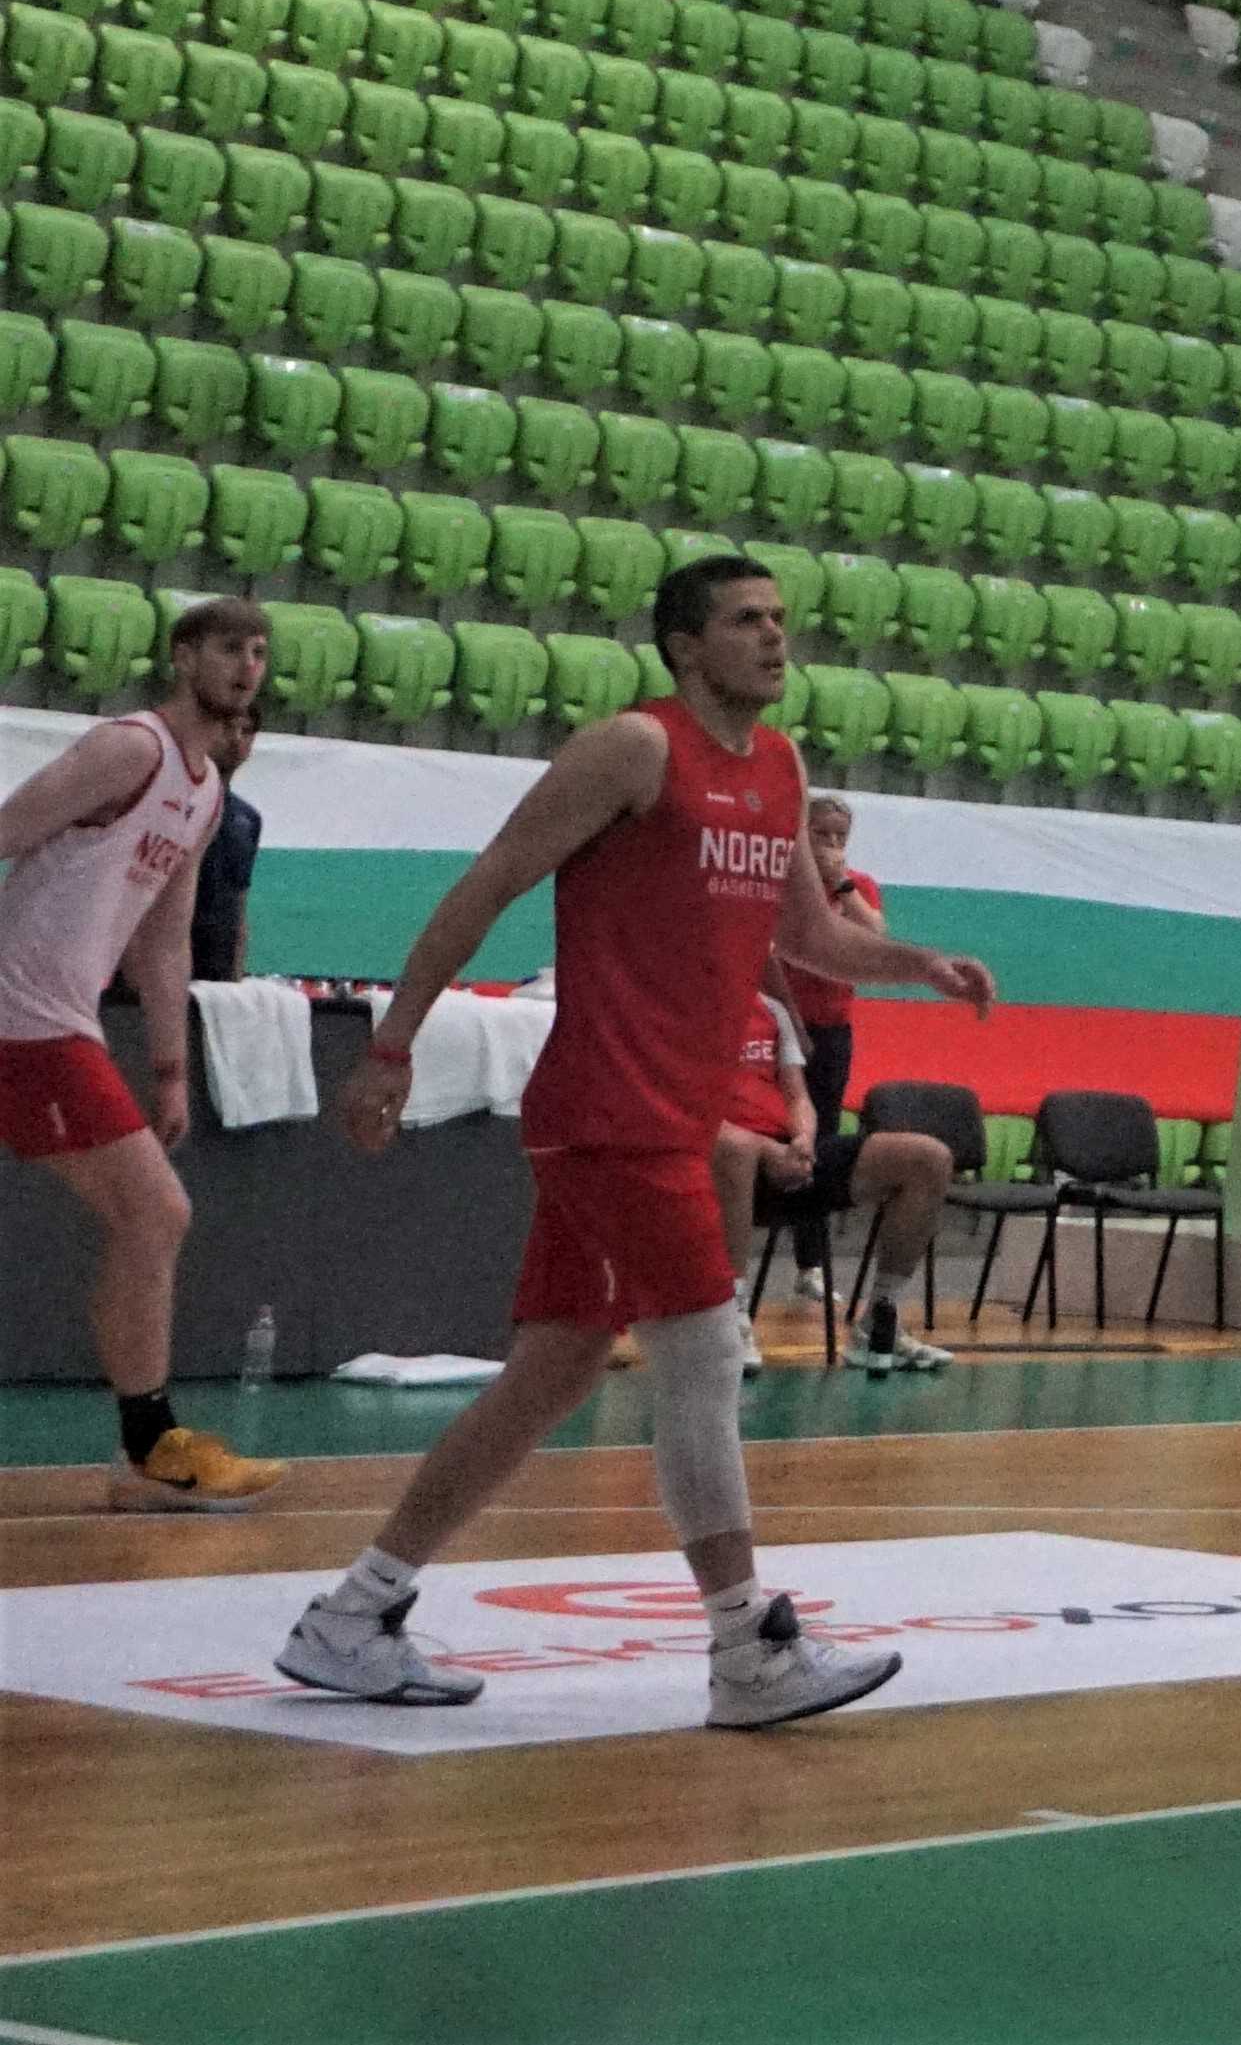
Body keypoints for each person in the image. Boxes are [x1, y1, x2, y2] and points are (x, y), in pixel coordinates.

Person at [276, 558, 994, 1727]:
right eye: (746, 621)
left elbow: (808, 934)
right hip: (613, 1109)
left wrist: (916, 961)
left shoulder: (780, 768)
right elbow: (489, 884)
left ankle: (353, 1612)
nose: (774, 638)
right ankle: (747, 1648)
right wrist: (394, 1045)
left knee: (551, 1370)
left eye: (780, 620)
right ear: (683, 644)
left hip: (658, 1112)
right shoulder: (633, 750)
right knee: (707, 1350)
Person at [0, 597, 288, 1512]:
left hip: (59, 1020)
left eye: (260, 652)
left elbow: (164, 938)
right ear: (183, 656)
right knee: (155, 1212)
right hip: (19, 1017)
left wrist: (169, 1067)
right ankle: (152, 1447)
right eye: (230, 648)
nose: (248, 666)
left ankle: (151, 1443)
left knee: (151, 1214)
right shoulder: (131, 749)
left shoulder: (204, 792)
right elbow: (7, 829)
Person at [719, 797, 961, 1377]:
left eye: (838, 835)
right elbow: (693, 1116)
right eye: (818, 834)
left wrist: (802, 1140)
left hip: (789, 1143)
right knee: (731, 1148)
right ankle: (729, 1314)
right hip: (725, 1166)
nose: (830, 845)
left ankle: (880, 1320)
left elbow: (798, 1095)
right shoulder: (686, 1014)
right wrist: (769, 1150)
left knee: (926, 1157)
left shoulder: (776, 1017)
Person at [186, 734, 257, 985]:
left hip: (218, 967)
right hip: (169, 955)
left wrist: (236, 976)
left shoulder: (247, 818)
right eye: (230, 729)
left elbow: (239, 900)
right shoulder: (177, 803)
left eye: (248, 731)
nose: (237, 740)